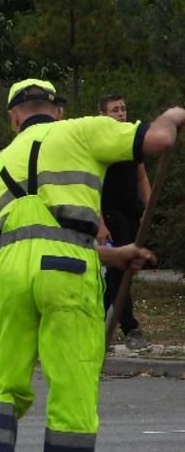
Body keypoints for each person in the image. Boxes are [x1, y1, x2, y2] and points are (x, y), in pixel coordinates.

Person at [0, 79, 181, 452]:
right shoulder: (82, 131)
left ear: (13, 117)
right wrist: (176, 114)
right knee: (72, 394)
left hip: (9, 271)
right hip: (67, 273)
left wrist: (113, 255)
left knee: (2, 385)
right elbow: (159, 139)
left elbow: (38, 234)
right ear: (58, 111)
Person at [97, 94, 152, 351]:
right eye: (114, 110)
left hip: (130, 214)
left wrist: (148, 209)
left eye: (123, 109)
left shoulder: (131, 142)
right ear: (103, 116)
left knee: (118, 276)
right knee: (120, 272)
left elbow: (141, 177)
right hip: (110, 215)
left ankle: (95, 325)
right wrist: (99, 223)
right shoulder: (99, 145)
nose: (121, 113)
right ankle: (131, 328)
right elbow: (91, 187)